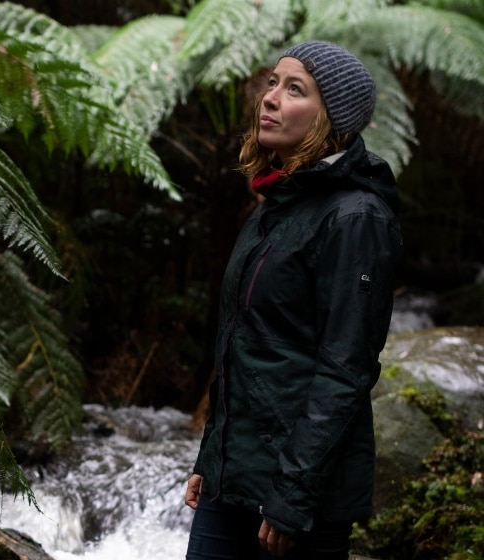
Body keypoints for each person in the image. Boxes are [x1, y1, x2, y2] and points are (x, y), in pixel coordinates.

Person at [184, 40, 403, 559]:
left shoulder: (355, 218)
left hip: (298, 499)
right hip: (232, 481)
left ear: (332, 119)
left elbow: (344, 369)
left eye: (295, 89)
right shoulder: (276, 203)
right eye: (272, 83)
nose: (270, 98)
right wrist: (210, 458)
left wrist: (291, 495)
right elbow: (243, 345)